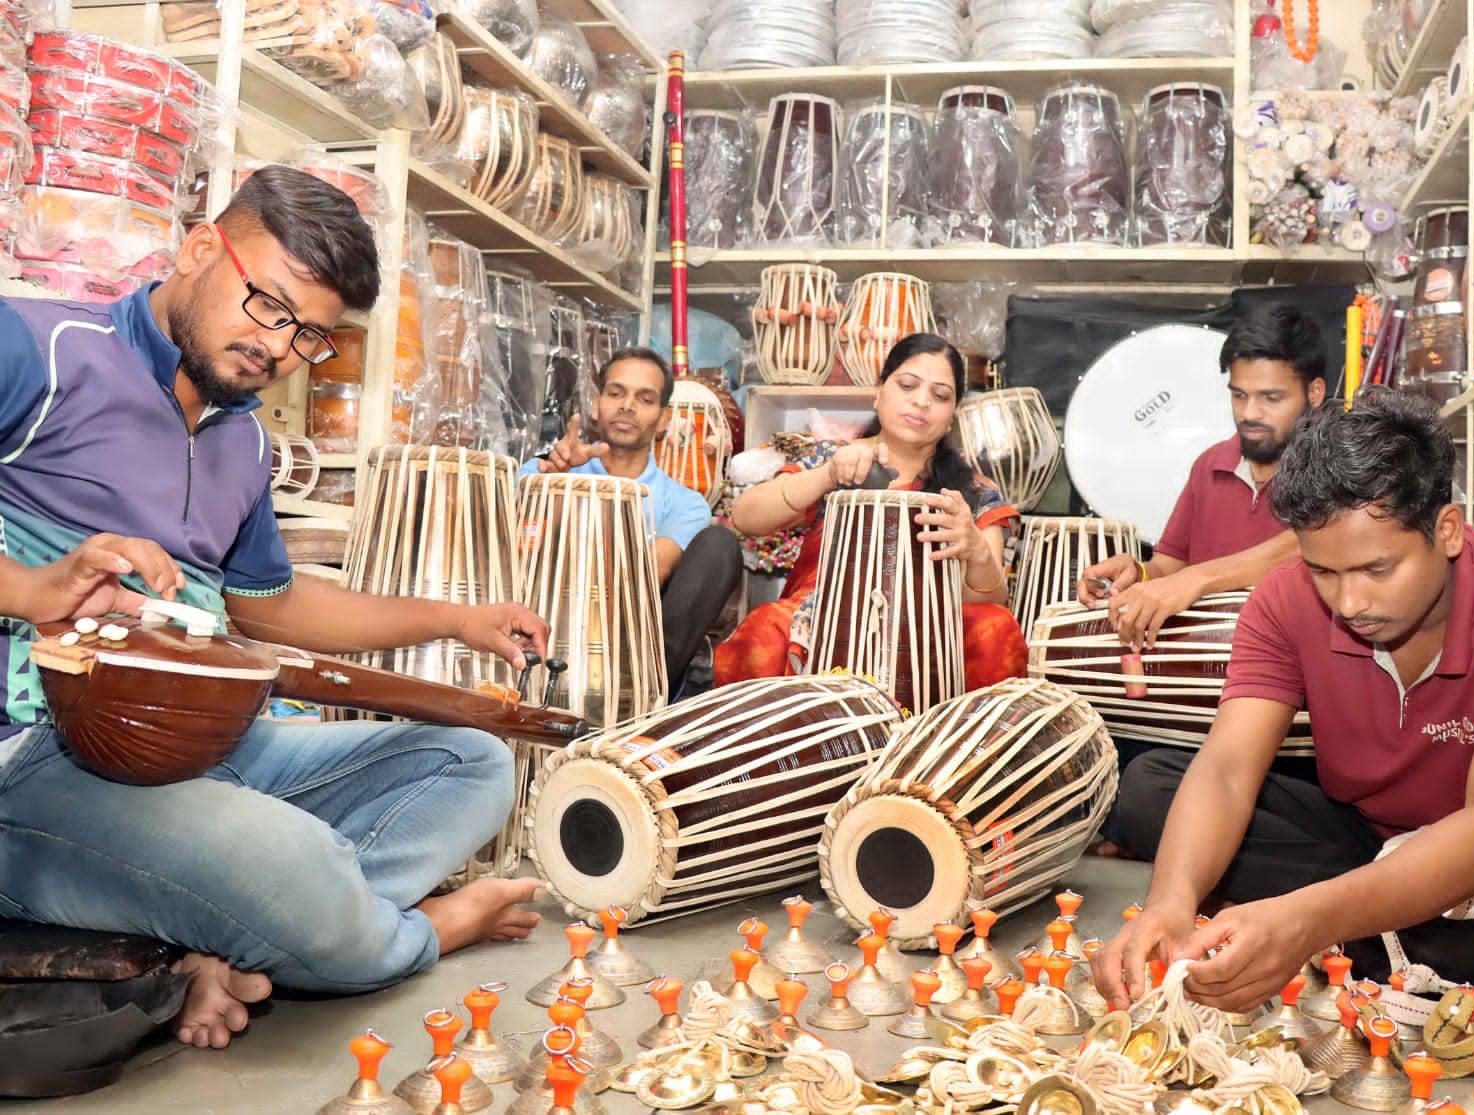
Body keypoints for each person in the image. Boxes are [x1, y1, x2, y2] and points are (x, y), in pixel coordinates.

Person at [0, 166, 555, 1052]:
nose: (278, 347)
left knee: (474, 763)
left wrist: (456, 619)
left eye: (308, 335)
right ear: (194, 248)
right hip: (41, 756)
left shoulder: (243, 434)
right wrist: (31, 590)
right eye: (268, 304)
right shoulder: (38, 346)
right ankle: (412, 932)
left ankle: (226, 936)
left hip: (215, 744)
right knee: (283, 861)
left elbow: (272, 606)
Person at [1093, 392, 1474, 1022]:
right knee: (1149, 787)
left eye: (1376, 569)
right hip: (1368, 842)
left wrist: (1307, 918)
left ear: (1446, 530)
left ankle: (1327, 931)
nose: (1350, 602)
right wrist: (1169, 902)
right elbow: (1227, 768)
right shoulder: (1284, 598)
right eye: (1324, 573)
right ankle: (1370, 931)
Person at [715, 333, 1027, 690]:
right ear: (879, 392)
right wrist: (828, 475)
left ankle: (956, 744)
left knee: (994, 629)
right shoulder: (832, 459)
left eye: (940, 395)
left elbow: (991, 600)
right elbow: (746, 518)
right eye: (907, 385)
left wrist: (974, 549)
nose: (922, 401)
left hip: (928, 634)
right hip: (823, 621)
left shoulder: (974, 492)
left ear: (951, 416)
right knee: (765, 629)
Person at [1077, 303, 1327, 650]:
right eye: (1239, 396)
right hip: (1204, 672)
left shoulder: (1341, 465)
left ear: (1314, 393)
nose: (1250, 413)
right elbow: (1169, 564)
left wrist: (1197, 580)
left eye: (1271, 398)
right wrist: (1139, 573)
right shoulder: (1210, 465)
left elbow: (1310, 542)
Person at [521, 347, 741, 695]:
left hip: (629, 646)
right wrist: (558, 485)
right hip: (544, 628)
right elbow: (519, 556)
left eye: (645, 398)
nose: (627, 406)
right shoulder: (542, 471)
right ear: (596, 404)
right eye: (616, 393)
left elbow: (650, 574)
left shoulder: (685, 503)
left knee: (720, 546)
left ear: (663, 419)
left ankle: (639, 696)